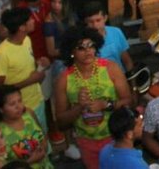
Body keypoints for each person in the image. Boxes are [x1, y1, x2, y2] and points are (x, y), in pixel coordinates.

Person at [52, 26, 132, 168]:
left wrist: (106, 105)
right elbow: (61, 122)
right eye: (81, 48)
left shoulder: (111, 68)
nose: (88, 51)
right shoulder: (64, 80)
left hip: (117, 138)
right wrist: (79, 108)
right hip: (87, 143)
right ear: (71, 51)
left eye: (91, 46)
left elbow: (129, 101)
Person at [0, 8, 47, 128]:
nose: (33, 21)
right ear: (22, 27)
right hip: (21, 109)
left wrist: (39, 64)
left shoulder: (26, 40)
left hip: (37, 100)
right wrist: (30, 81)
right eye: (30, 19)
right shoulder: (1, 54)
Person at [0, 85, 49, 169]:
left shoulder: (29, 114)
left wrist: (43, 149)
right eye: (12, 104)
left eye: (20, 101)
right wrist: (29, 162)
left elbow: (43, 136)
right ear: (1, 109)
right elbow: (1, 165)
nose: (18, 107)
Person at [80, 3, 132, 72]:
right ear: (86, 22)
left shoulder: (116, 32)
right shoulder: (82, 41)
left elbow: (127, 60)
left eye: (98, 20)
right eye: (90, 22)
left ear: (105, 18)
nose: (95, 25)